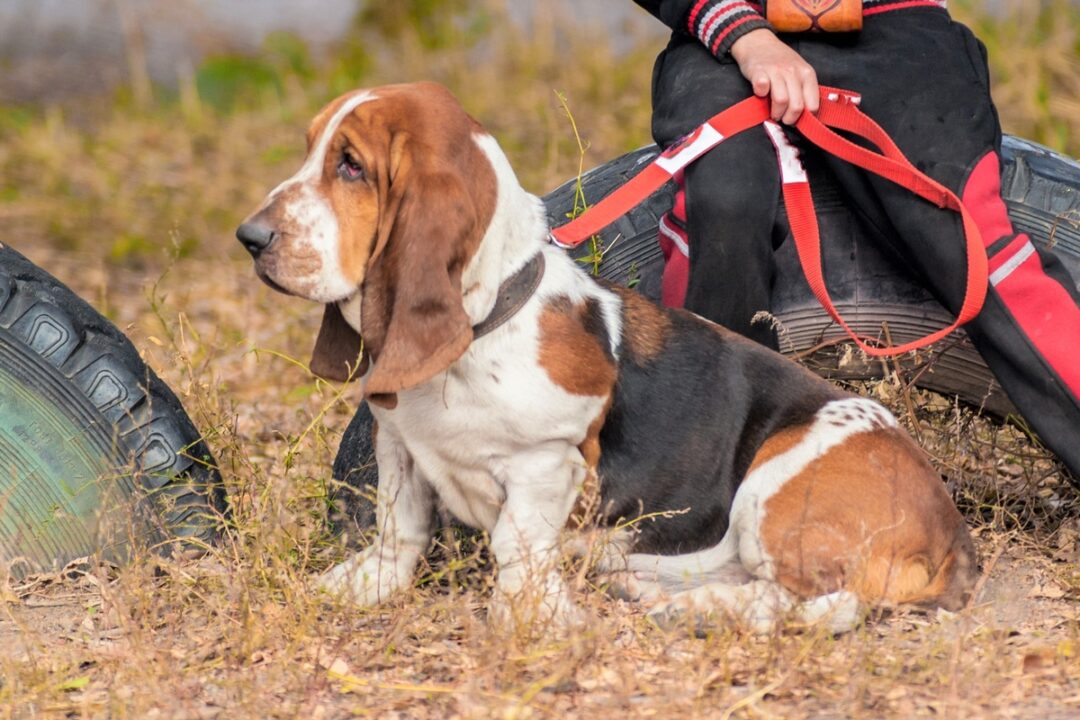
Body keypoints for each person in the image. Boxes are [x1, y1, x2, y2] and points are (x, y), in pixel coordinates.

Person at [632, 0, 1080, 477]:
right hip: (721, 40)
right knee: (722, 214)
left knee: (969, 244)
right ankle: (694, 488)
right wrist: (744, 34)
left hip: (897, 27)